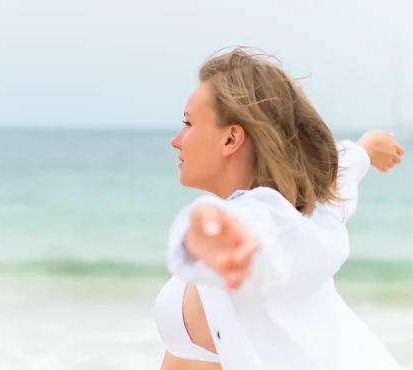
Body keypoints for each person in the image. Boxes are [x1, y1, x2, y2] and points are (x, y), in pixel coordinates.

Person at [155, 47, 405, 370]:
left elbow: (263, 236)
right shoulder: (314, 210)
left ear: (231, 139)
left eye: (188, 123)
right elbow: (344, 168)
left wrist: (213, 234)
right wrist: (369, 146)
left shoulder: (267, 223)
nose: (177, 140)